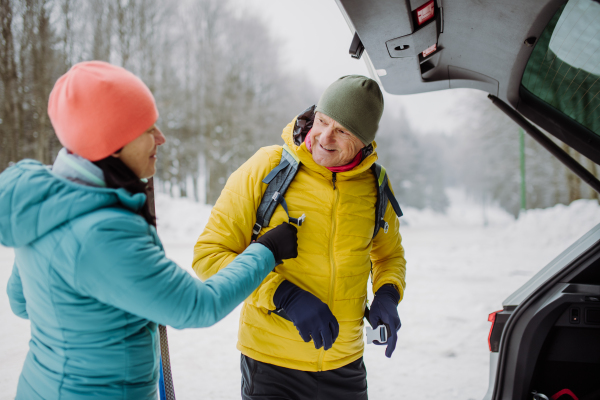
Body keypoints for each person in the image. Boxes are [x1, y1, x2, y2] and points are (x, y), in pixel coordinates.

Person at [0, 61, 298, 400]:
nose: (161, 138)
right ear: (110, 143)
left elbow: (22, 302)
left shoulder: (48, 203)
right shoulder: (103, 231)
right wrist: (266, 251)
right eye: (147, 129)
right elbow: (198, 306)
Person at [193, 75, 407, 400]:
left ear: (363, 141)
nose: (324, 136)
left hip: (346, 363)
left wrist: (388, 294)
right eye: (322, 121)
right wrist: (284, 296)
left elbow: (389, 256)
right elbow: (210, 255)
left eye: (342, 131)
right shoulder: (269, 168)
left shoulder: (375, 184)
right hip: (271, 364)